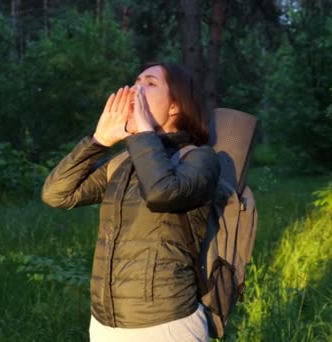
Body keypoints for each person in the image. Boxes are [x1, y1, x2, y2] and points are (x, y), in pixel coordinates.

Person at [41, 62, 220, 341]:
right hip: (105, 323)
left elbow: (162, 193)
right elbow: (57, 194)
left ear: (175, 106)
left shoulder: (199, 158)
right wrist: (99, 141)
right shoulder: (123, 162)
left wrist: (144, 133)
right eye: (136, 81)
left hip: (167, 323)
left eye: (150, 83)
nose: (136, 88)